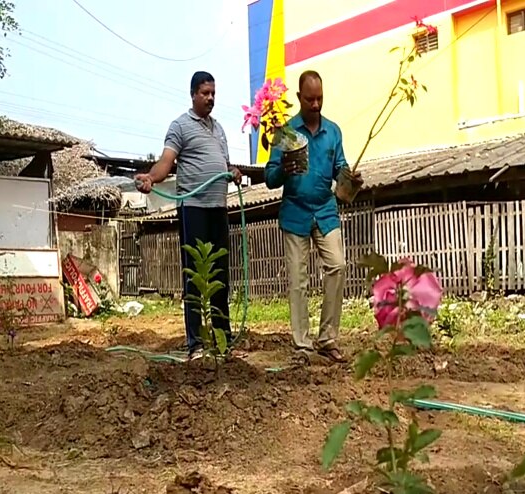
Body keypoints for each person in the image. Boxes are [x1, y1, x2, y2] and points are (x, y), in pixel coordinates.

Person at [136, 71, 242, 361]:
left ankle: (223, 340)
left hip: (218, 207)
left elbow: (225, 163)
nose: (210, 99)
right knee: (195, 275)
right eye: (205, 93)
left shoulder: (218, 129)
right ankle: (196, 343)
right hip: (193, 207)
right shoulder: (180, 126)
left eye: (213, 94)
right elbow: (166, 162)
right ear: (193, 94)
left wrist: (232, 172)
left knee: (220, 274)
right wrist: (151, 179)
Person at [264, 70, 361, 363]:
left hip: (326, 211)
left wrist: (350, 179)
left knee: (338, 266)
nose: (316, 104)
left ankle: (328, 338)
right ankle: (302, 345)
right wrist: (284, 170)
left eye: (320, 98)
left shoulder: (333, 131)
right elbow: (269, 177)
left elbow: (339, 167)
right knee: (297, 280)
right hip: (295, 213)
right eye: (310, 99)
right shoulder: (285, 133)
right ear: (299, 98)